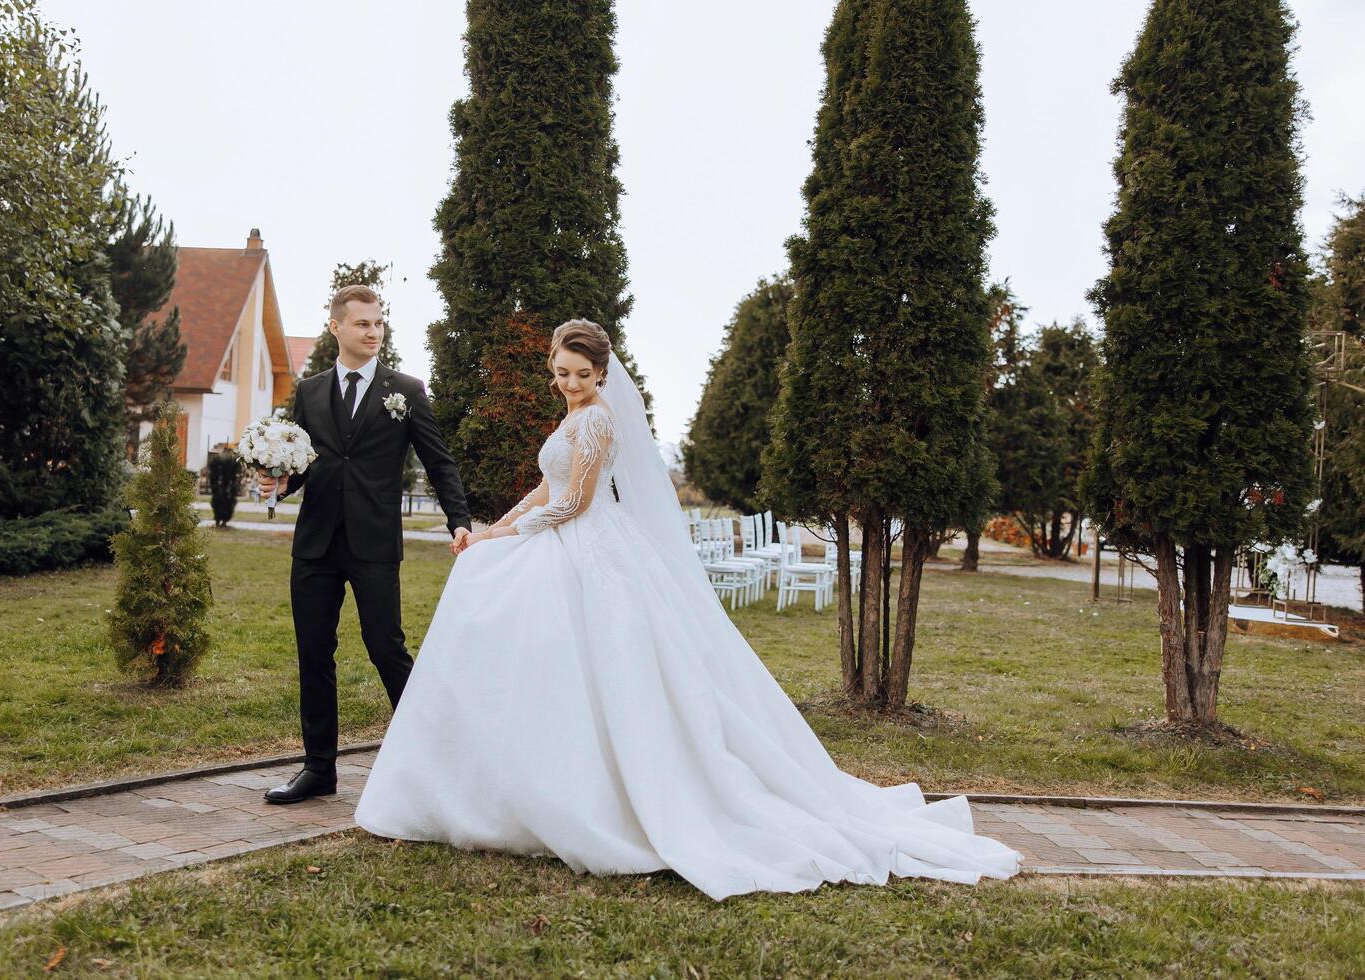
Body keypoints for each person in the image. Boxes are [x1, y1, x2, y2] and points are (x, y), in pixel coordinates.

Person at [354, 318, 1020, 900]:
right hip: (558, 541)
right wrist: (498, 523)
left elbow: (578, 503)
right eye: (560, 373)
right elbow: (545, 484)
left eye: (581, 375)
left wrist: (508, 535)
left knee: (607, 670)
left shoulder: (600, 418)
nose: (569, 383)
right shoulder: (569, 413)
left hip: (591, 549)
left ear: (602, 373)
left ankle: (608, 798)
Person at [257, 285, 472, 805]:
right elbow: (303, 462)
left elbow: (439, 462)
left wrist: (458, 521)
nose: (373, 332)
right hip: (315, 545)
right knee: (314, 653)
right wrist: (281, 483)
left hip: (374, 543)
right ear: (337, 328)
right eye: (362, 324)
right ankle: (318, 770)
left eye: (378, 324)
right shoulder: (308, 393)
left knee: (386, 649)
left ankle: (438, 758)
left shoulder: (406, 390)